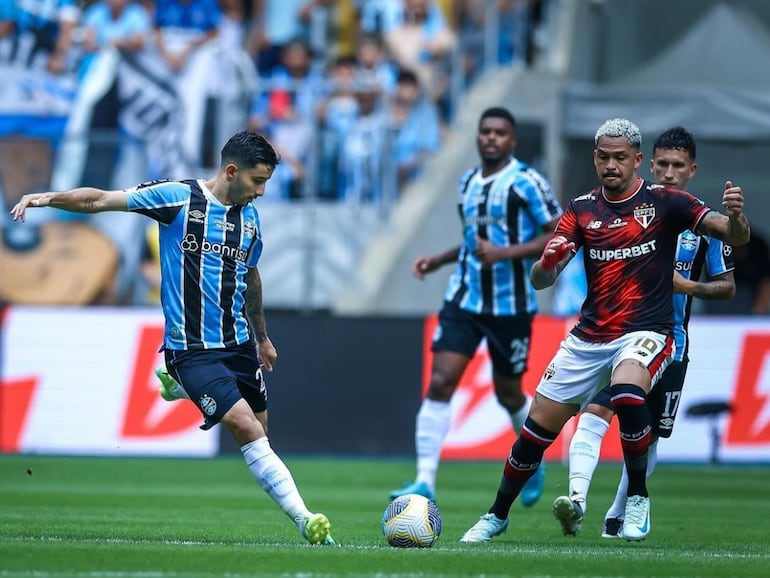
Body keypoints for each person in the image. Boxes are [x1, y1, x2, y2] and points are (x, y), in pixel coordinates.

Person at [10, 130, 336, 546]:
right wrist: (43, 198)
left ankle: (183, 390)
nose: (262, 191)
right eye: (258, 181)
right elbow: (100, 200)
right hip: (191, 348)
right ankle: (306, 520)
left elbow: (250, 276)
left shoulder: (249, 218)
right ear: (231, 171)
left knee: (260, 429)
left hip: (238, 344)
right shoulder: (177, 198)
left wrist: (262, 337)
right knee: (244, 427)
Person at [459, 118, 750, 543]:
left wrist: (737, 218)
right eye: (604, 157)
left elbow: (733, 236)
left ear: (636, 161)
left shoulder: (667, 203)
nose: (611, 165)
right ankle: (498, 514)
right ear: (595, 158)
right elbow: (543, 280)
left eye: (620, 158)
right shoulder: (581, 209)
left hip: (647, 330)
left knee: (629, 392)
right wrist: (546, 263)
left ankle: (637, 498)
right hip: (590, 336)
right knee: (536, 432)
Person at [554, 126, 736, 539]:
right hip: (620, 337)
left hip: (672, 344)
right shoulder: (631, 209)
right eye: (664, 165)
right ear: (649, 164)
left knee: (648, 436)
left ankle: (619, 514)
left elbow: (727, 286)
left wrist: (688, 286)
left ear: (692, 170)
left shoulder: (701, 221)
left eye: (678, 167)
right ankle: (577, 501)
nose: (670, 173)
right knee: (596, 411)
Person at [389, 106, 564, 506]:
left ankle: (531, 462)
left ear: (512, 140)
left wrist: (505, 253)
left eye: (500, 133)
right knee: (440, 382)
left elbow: (557, 233)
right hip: (464, 298)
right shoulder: (468, 181)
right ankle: (424, 481)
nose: (491, 138)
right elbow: (474, 240)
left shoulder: (527, 182)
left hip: (511, 306)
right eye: (485, 131)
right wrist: (439, 259)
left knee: (508, 394)